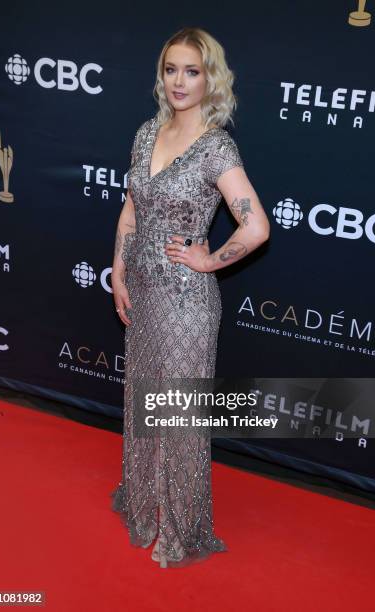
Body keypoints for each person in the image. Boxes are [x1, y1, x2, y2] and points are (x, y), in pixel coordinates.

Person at [110, 26, 270, 569]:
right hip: (145, 293)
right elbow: (131, 210)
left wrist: (207, 258)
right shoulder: (145, 132)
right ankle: (145, 501)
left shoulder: (216, 145)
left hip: (185, 302)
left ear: (211, 78)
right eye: (171, 69)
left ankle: (182, 525)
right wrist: (118, 266)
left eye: (192, 71)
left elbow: (256, 229)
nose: (179, 81)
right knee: (143, 405)